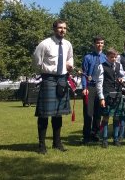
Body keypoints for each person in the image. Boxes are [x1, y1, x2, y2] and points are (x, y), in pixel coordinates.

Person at [31, 19, 74, 154]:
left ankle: (57, 143)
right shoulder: (45, 44)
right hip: (48, 79)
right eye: (60, 28)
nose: (63, 30)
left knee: (58, 114)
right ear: (54, 29)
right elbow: (36, 61)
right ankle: (42, 145)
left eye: (65, 28)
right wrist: (44, 73)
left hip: (62, 79)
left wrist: (69, 65)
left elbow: (70, 57)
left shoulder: (67, 44)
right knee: (44, 114)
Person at [94, 49, 125, 148]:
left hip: (117, 94)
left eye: (115, 57)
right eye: (112, 57)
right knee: (106, 117)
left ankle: (116, 138)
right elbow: (99, 83)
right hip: (107, 95)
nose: (113, 59)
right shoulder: (101, 66)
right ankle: (104, 139)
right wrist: (101, 98)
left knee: (116, 117)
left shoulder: (119, 65)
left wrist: (122, 79)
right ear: (107, 56)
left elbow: (123, 76)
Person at [81, 36, 106, 144]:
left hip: (101, 88)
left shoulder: (106, 58)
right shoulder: (88, 57)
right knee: (88, 113)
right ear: (94, 44)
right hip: (90, 87)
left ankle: (95, 134)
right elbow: (83, 73)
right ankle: (86, 136)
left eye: (101, 43)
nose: (99, 45)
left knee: (98, 113)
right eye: (98, 43)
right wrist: (84, 87)